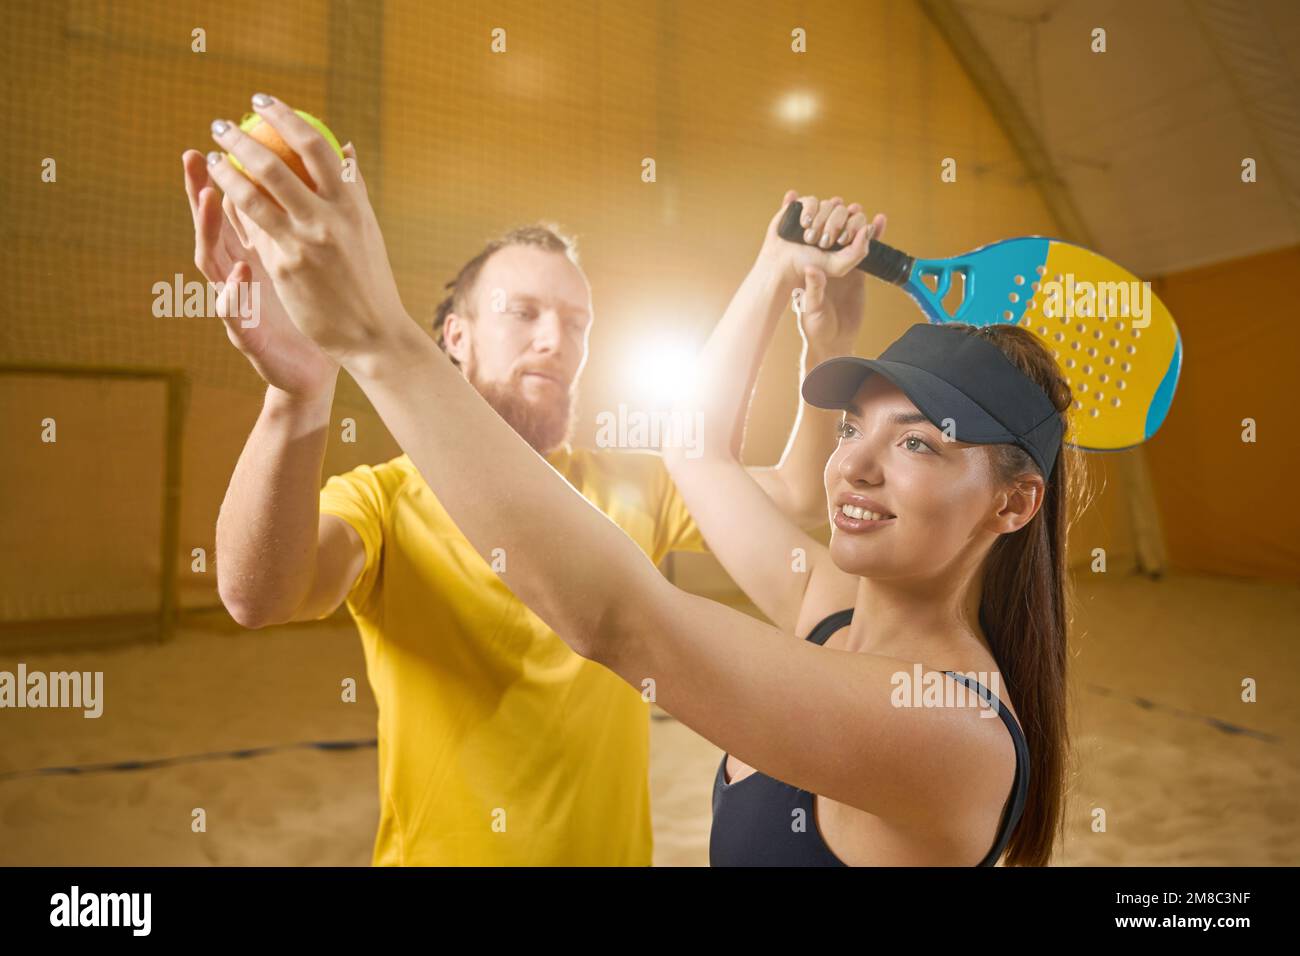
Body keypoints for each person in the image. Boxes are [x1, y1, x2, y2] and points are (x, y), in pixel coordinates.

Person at [205, 96, 1075, 866]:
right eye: (853, 428)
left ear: (1015, 500)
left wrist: (372, 337)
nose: (853, 461)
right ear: (457, 335)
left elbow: (620, 618)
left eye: (919, 444)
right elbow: (696, 448)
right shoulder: (833, 615)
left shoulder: (950, 730)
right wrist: (776, 272)